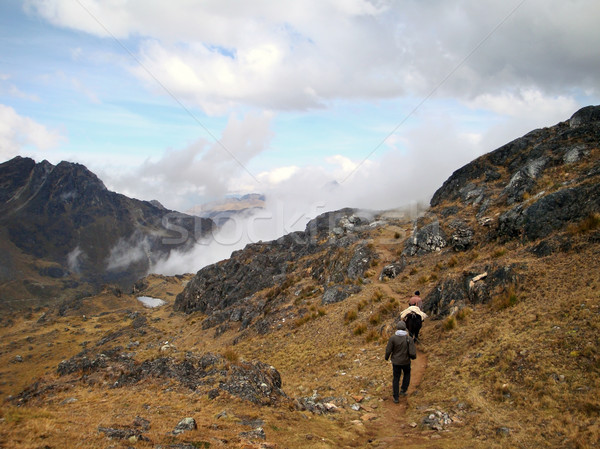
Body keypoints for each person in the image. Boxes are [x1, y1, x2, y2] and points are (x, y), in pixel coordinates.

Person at [385, 321, 417, 403]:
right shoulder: (409, 339)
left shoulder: (393, 338)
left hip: (396, 362)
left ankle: (396, 397)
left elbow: (388, 350)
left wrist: (386, 357)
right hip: (406, 361)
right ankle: (403, 389)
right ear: (405, 328)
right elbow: (412, 352)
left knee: (396, 378)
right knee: (407, 374)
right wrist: (413, 357)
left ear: (397, 328)